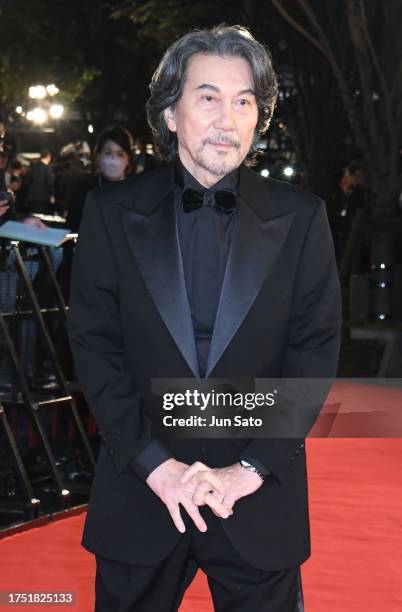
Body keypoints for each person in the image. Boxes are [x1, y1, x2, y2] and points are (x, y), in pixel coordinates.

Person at [66, 25, 341, 611]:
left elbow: (313, 352)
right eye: (208, 96)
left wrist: (251, 469)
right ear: (170, 113)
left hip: (255, 499)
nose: (228, 117)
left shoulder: (303, 217)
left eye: (244, 101)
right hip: (141, 491)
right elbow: (93, 345)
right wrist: (155, 466)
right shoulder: (110, 212)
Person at [65, 126, 134, 233]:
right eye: (108, 153)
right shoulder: (83, 190)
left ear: (128, 159)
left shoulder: (138, 192)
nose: (113, 159)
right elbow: (71, 228)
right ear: (98, 156)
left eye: (120, 154)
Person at [25, 150, 54, 215]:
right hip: (43, 199)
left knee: (33, 218)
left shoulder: (33, 167)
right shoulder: (47, 168)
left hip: (32, 197)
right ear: (48, 157)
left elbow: (27, 182)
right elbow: (50, 183)